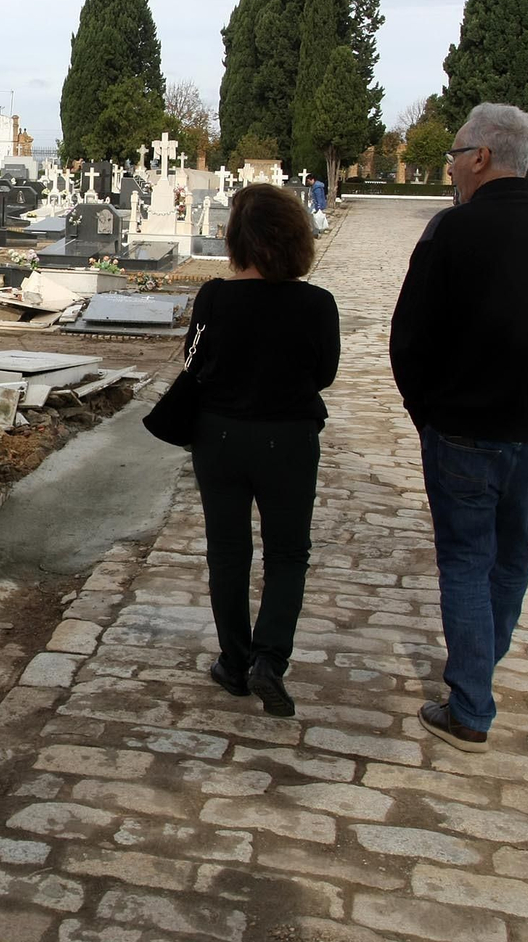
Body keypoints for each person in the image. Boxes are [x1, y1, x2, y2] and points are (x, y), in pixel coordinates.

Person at [390, 102, 528, 753]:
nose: (452, 168)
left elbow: (409, 338)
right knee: (511, 560)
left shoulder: (451, 232)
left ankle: (470, 705)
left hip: (461, 431)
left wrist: (426, 414)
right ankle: (479, 674)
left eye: (456, 154)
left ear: (482, 157)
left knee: (465, 561)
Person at [188, 183, 340, 717]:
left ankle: (234, 660)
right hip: (289, 439)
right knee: (287, 553)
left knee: (228, 550)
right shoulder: (317, 304)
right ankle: (269, 660)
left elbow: (194, 363)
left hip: (220, 437)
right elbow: (324, 373)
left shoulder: (213, 297)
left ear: (237, 240)